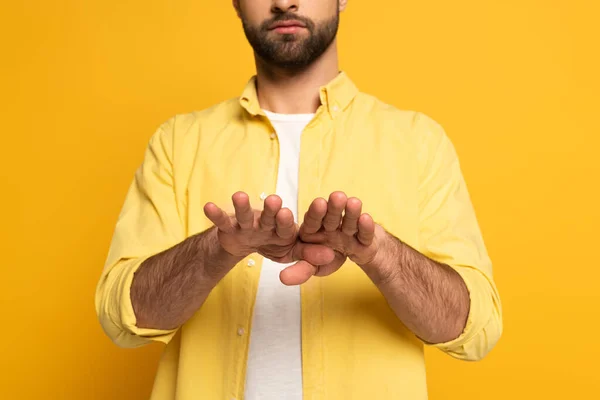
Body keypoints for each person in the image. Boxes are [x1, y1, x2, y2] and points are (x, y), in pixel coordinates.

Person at [95, 0, 503, 398]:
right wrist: (215, 249)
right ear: (235, 3)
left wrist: (380, 253)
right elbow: (123, 320)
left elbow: (474, 330)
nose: (284, 3)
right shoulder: (177, 142)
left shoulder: (419, 142)